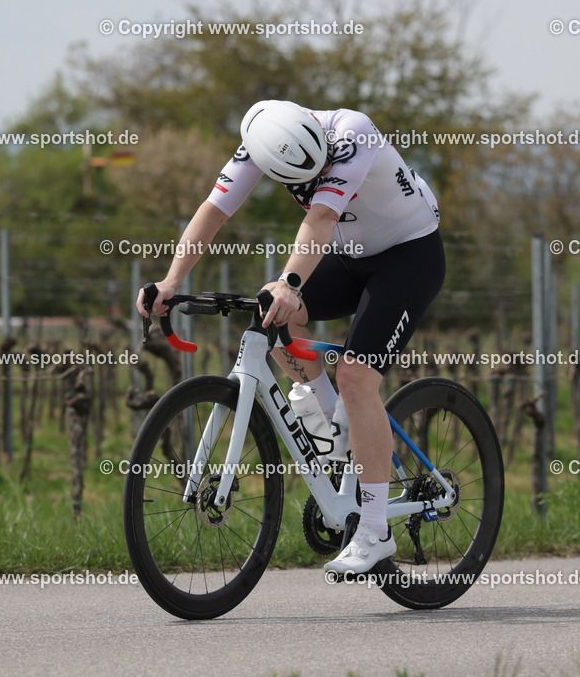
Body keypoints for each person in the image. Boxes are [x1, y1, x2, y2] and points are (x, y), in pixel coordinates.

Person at [136, 100, 444, 575]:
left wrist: (292, 282)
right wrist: (172, 280)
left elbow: (320, 218)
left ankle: (375, 530)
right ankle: (329, 427)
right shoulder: (260, 144)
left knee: (357, 377)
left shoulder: (352, 131)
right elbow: (214, 210)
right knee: (271, 313)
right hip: (349, 253)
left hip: (409, 255)